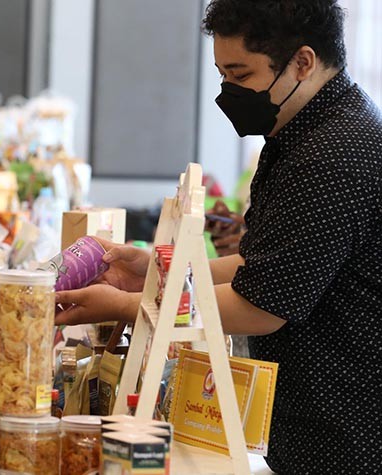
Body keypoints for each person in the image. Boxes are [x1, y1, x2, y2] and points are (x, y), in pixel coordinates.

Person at [56, 0, 382, 472]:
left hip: (340, 432)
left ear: (303, 63)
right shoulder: (309, 128)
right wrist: (160, 273)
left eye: (241, 74)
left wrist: (132, 305)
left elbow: (263, 306)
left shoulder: (332, 154)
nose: (228, 91)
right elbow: (266, 264)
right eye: (222, 74)